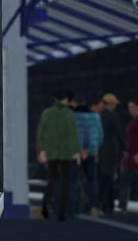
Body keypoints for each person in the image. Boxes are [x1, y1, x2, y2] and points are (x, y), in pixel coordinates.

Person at [37, 90, 79, 221]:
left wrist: (42, 150)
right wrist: (75, 152)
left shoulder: (47, 113)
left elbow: (41, 133)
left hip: (51, 152)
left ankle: (45, 207)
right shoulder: (70, 114)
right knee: (65, 183)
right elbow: (73, 134)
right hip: (66, 153)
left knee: (51, 180)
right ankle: (61, 213)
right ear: (66, 99)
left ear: (55, 99)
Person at [75, 95, 104, 217]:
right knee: (92, 180)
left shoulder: (74, 116)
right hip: (92, 152)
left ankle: (78, 206)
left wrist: (81, 149)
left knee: (76, 180)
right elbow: (100, 135)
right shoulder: (96, 117)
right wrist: (95, 150)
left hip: (76, 153)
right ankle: (94, 207)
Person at [100, 93, 126, 212]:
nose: (115, 106)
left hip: (99, 149)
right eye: (114, 104)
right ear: (110, 104)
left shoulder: (98, 116)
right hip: (111, 150)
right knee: (109, 177)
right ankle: (106, 204)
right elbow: (119, 134)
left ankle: (106, 204)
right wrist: (125, 148)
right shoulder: (113, 117)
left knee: (102, 176)